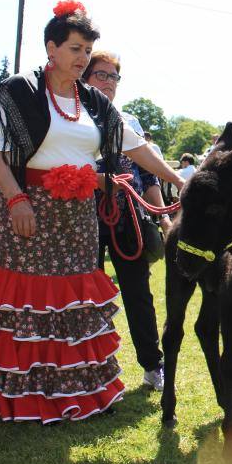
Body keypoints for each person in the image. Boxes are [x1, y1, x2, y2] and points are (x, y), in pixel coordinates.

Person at [0, 0, 184, 423]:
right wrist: (15, 198)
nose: (83, 58)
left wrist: (179, 181)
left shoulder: (95, 102)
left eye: (87, 51)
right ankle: (23, 398)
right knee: (30, 304)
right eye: (75, 49)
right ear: (51, 48)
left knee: (71, 304)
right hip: (29, 209)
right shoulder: (20, 90)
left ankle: (73, 393)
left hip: (80, 215)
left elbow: (136, 147)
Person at [82, 50, 179, 391]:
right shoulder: (72, 118)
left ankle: (153, 365)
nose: (108, 83)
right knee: (86, 293)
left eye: (113, 77)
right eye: (101, 75)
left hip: (129, 216)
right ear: (85, 75)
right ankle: (90, 363)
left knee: (138, 293)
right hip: (83, 217)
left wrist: (164, 219)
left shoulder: (128, 122)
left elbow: (148, 176)